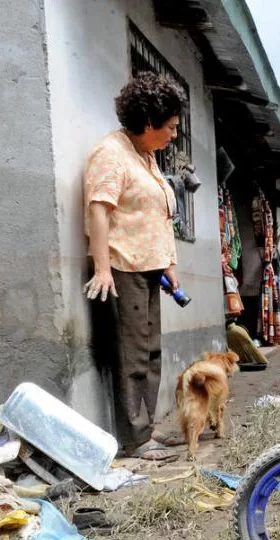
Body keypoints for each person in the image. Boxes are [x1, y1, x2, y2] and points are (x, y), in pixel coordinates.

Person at [83, 72, 186, 460]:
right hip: (123, 268)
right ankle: (135, 439)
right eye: (171, 127)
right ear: (147, 123)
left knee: (151, 352)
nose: (174, 135)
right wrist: (103, 268)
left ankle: (148, 429)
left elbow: (157, 214)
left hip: (150, 268)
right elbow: (99, 208)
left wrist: (168, 263)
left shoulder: (146, 156)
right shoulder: (112, 153)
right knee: (132, 355)